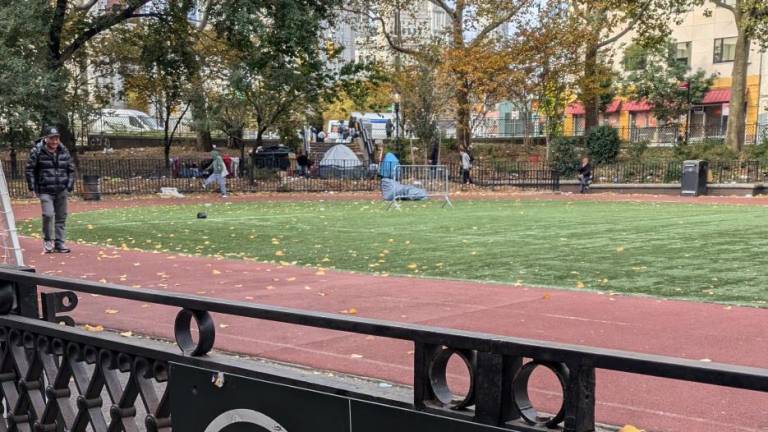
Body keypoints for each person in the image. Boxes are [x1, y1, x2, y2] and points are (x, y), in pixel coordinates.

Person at [25, 126, 75, 253]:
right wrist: (31, 187)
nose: (54, 142)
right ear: (45, 139)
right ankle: (48, 241)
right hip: (45, 189)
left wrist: (69, 185)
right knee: (48, 215)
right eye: (52, 138)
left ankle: (60, 243)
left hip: (61, 189)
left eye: (57, 138)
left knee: (61, 217)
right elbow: (29, 169)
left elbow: (71, 169)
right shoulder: (37, 151)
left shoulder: (63, 150)